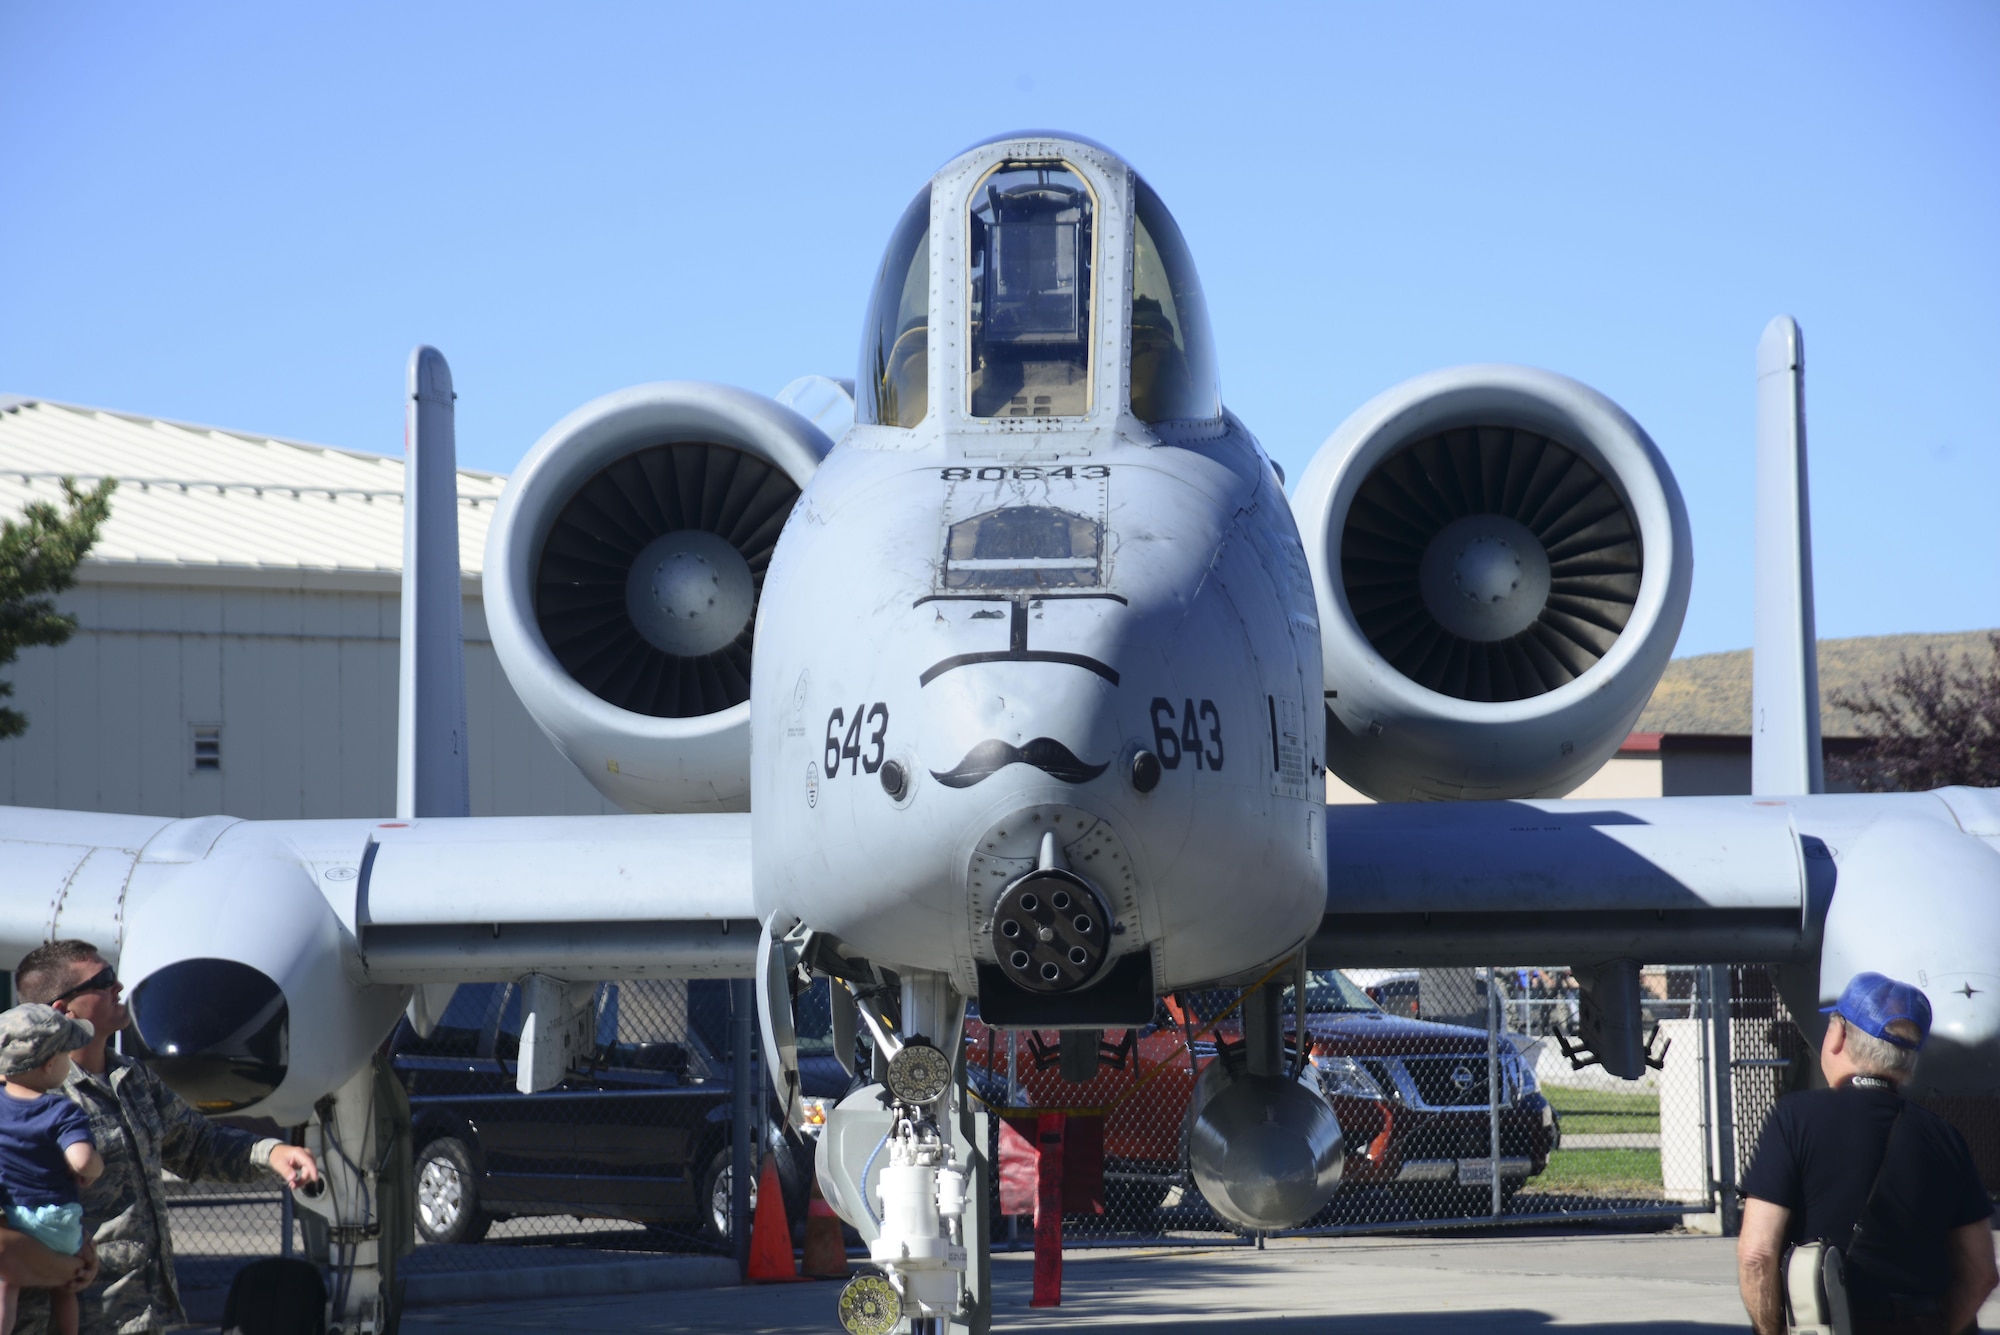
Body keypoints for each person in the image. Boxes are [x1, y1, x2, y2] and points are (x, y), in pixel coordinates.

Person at [8, 942, 322, 1335]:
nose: (118, 986)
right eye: (103, 981)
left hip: (148, 1315)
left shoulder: (133, 1079)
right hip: (73, 1319)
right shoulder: (27, 1100)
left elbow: (197, 1146)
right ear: (63, 1010)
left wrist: (272, 1152)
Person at [1737, 971, 1998, 1335]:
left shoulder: (1794, 1119)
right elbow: (1982, 1271)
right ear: (1910, 1059)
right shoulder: (1945, 1138)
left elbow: (1756, 1256)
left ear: (1839, 1035)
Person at [0, 1006, 104, 1335]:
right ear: (49, 1065)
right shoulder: (61, 1110)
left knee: (6, 1286)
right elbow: (82, 1161)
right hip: (56, 1219)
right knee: (67, 1288)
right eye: (66, 1055)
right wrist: (94, 1167)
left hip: (13, 1215)